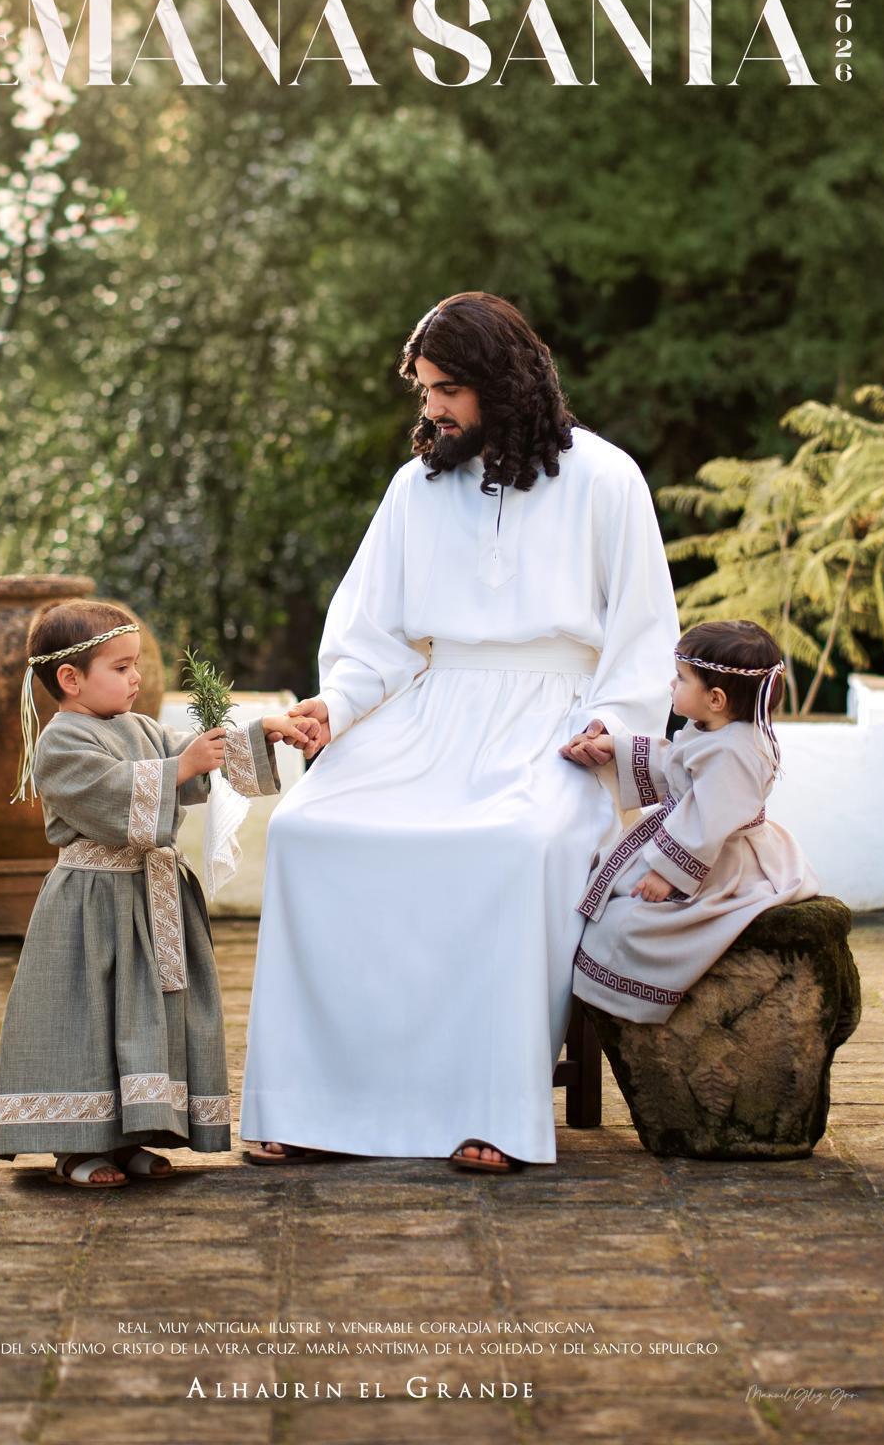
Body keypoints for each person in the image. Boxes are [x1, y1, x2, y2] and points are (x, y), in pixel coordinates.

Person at [240, 291, 680, 1172]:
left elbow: (642, 635)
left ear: (503, 382)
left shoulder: (605, 477)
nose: (432, 409)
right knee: (307, 829)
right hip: (432, 715)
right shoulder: (416, 488)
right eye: (424, 391)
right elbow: (374, 640)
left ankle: (492, 1110)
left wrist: (609, 728)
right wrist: (340, 705)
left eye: (448, 390)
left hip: (556, 723)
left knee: (517, 846)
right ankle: (315, 1105)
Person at [0, 599, 318, 1188]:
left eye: (135, 664)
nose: (136, 677)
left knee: (148, 1017)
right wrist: (178, 767)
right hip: (92, 907)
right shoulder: (60, 743)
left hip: (150, 898)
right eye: (120, 667)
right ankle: (77, 1147)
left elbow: (198, 758)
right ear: (70, 678)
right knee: (89, 1019)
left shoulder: (140, 728)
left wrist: (258, 733)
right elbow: (115, 798)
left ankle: (138, 1134)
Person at [565, 619, 819, 1023]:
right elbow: (675, 764)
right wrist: (616, 746)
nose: (671, 685)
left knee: (629, 924)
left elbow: (708, 820)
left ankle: (628, 1002)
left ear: (715, 698)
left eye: (681, 679)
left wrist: (668, 875)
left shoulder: (735, 752)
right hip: (693, 842)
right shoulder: (710, 730)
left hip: (718, 861)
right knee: (614, 896)